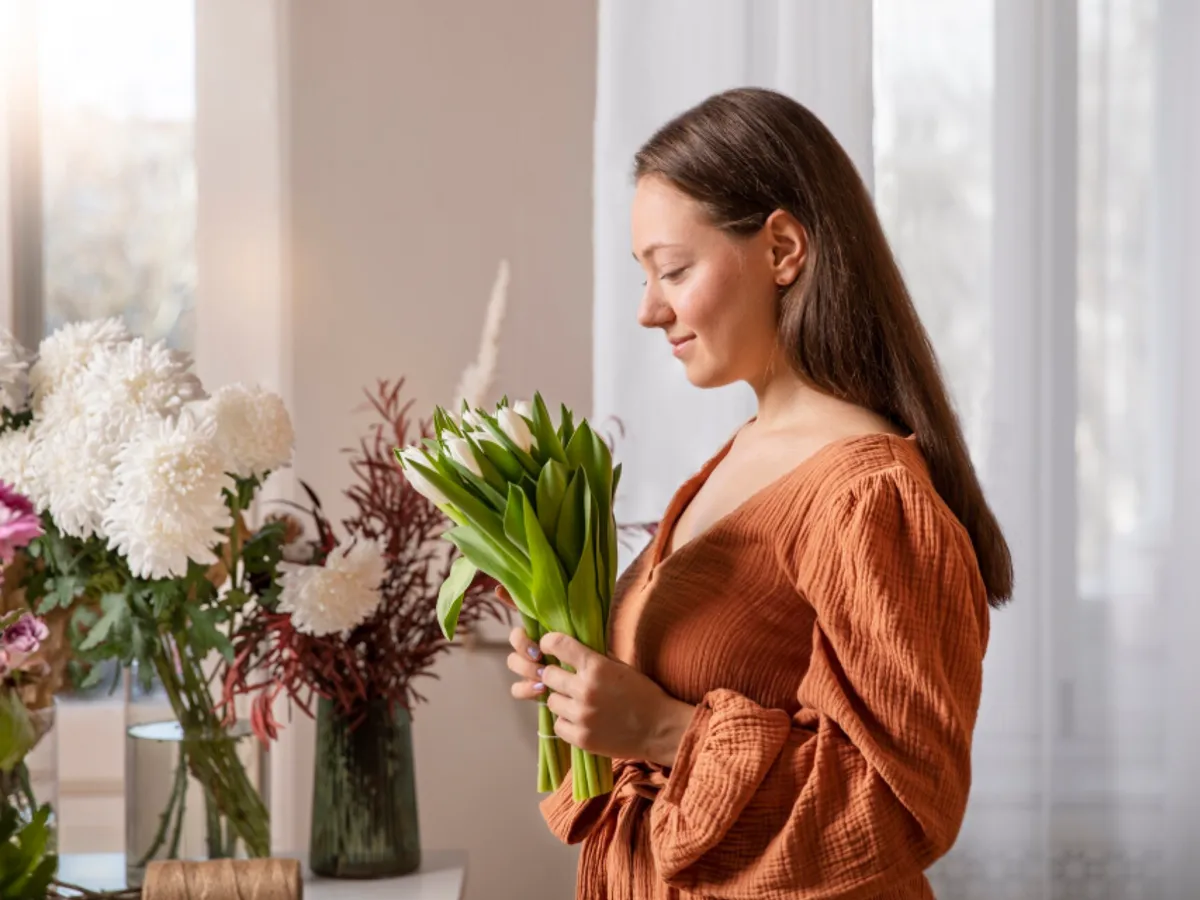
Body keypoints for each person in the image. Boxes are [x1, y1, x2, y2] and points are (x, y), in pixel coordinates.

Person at [503, 87, 1011, 900]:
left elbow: (903, 805)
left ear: (782, 249)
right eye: (644, 275)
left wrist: (660, 730)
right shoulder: (736, 457)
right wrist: (580, 674)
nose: (648, 309)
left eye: (672, 269)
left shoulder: (867, 494)